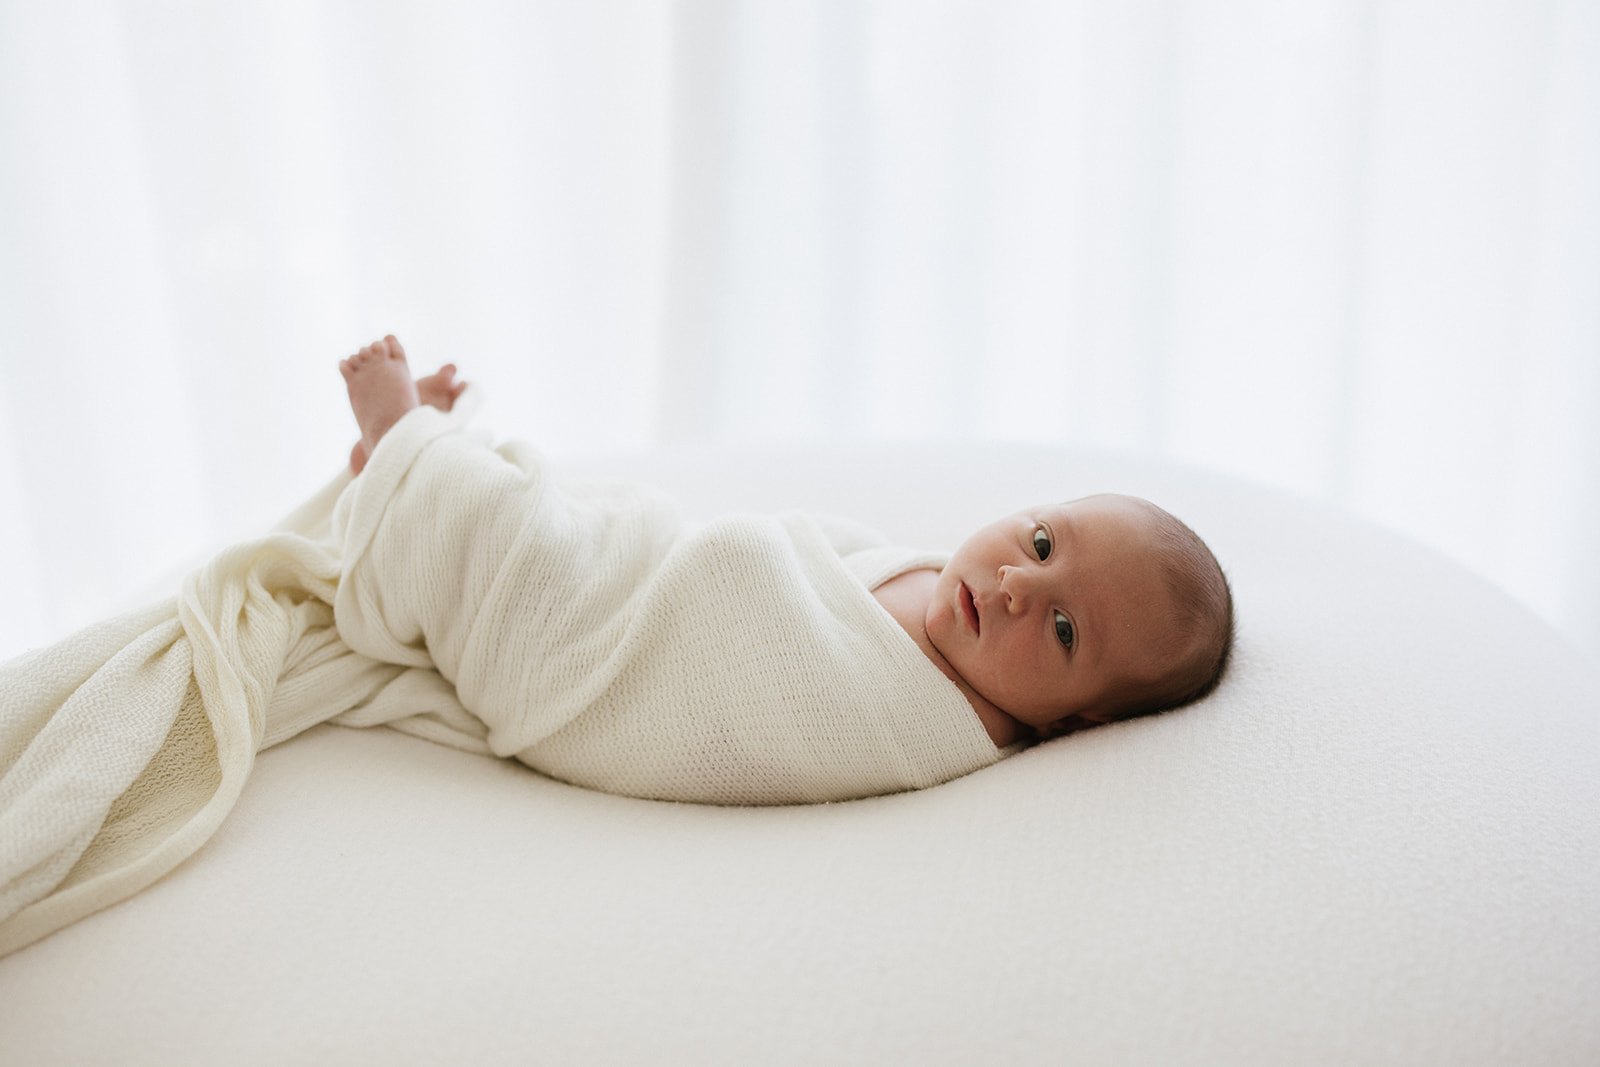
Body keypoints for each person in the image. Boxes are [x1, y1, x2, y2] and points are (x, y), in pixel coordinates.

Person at [340, 336, 1233, 765]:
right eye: (1041, 542)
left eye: (1065, 630)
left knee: (519, 560)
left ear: (1077, 722)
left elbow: (753, 681)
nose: (1011, 586)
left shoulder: (938, 729)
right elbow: (797, 560)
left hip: (603, 665)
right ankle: (416, 481)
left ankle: (405, 446)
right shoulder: (946, 591)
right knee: (582, 525)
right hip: (648, 581)